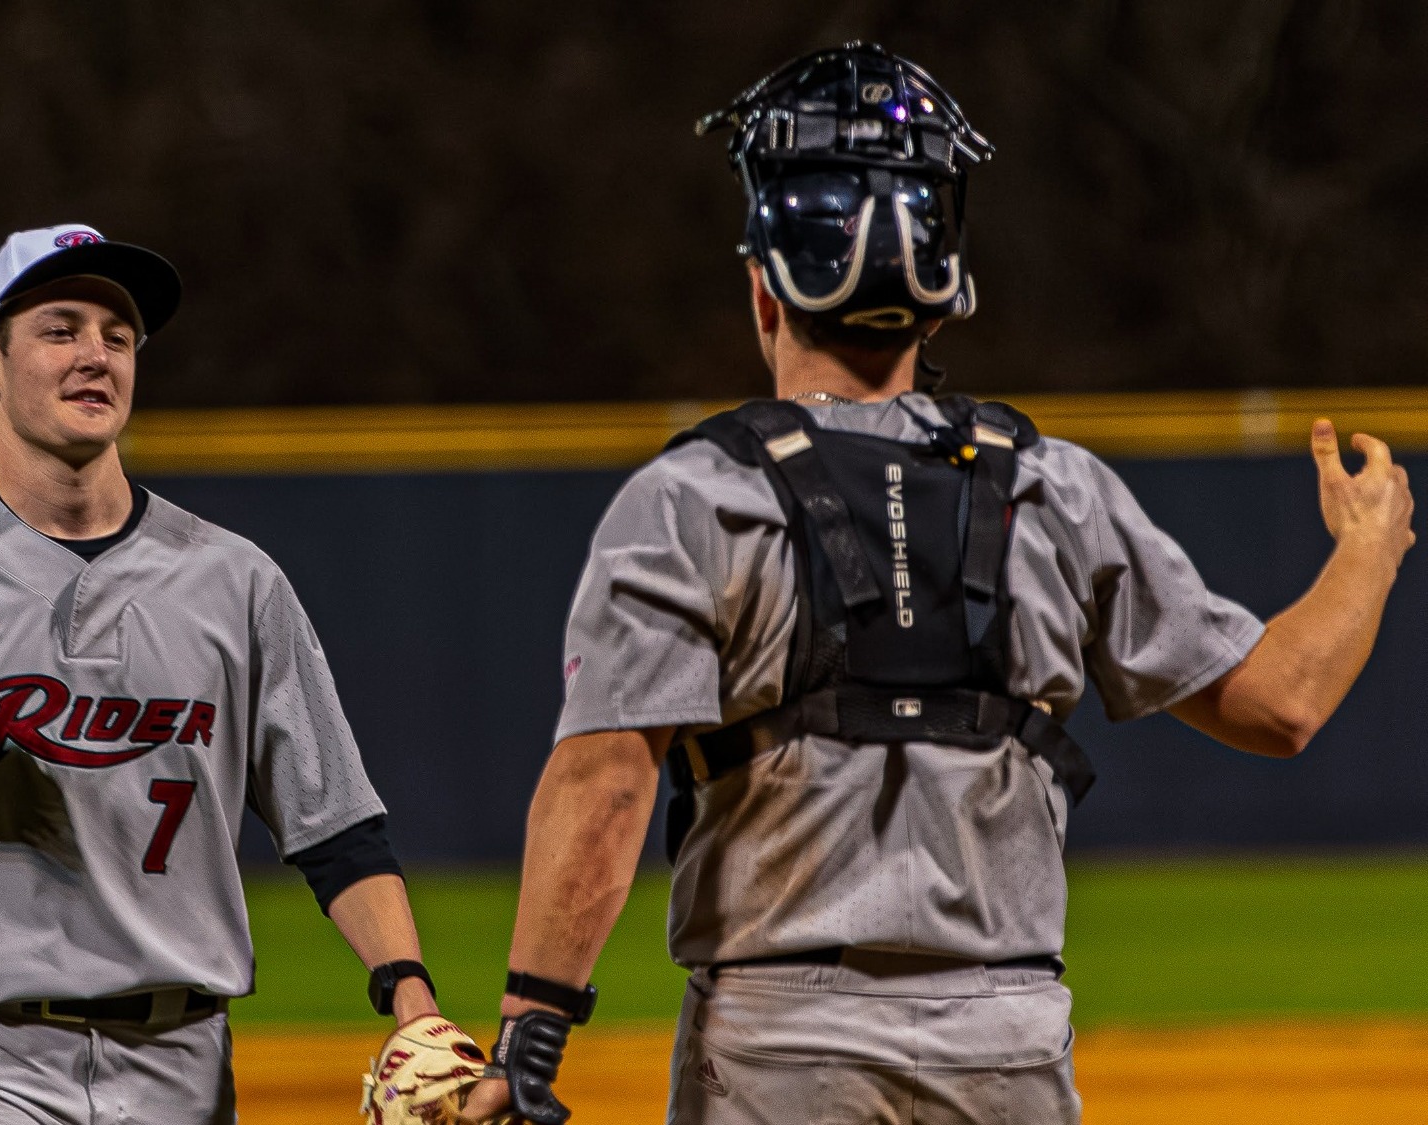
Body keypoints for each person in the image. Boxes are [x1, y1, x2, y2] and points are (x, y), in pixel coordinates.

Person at [456, 44, 1416, 1125]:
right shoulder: (1051, 489)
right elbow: (1279, 703)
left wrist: (526, 1050)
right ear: (944, 290)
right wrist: (1368, 547)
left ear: (763, 289)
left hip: (778, 1044)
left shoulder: (688, 501)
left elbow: (603, 783)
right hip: (1003, 1040)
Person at [0, 224, 476, 1124]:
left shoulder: (234, 581)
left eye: (118, 334)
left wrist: (410, 992)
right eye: (60, 329)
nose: (95, 356)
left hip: (184, 1066)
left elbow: (336, 826)